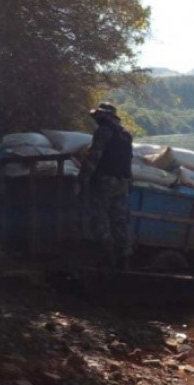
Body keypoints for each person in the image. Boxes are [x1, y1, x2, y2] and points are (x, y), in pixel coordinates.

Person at [78, 102, 133, 269]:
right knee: (119, 222)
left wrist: (82, 180)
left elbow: (94, 157)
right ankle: (124, 260)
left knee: (100, 219)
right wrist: (130, 182)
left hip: (105, 182)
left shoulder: (104, 131)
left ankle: (107, 259)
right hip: (122, 182)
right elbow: (128, 161)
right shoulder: (125, 134)